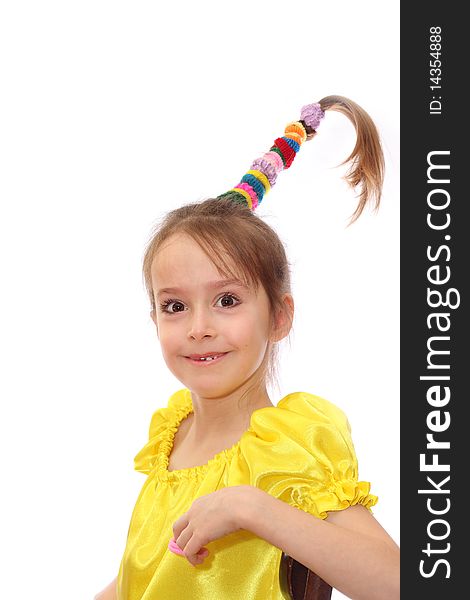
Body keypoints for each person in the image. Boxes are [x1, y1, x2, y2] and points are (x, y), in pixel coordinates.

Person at [95, 96, 400, 600]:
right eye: (175, 307)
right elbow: (145, 580)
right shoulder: (171, 438)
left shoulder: (289, 445)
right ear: (154, 320)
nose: (198, 327)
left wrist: (252, 508)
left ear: (279, 317)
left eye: (227, 300)